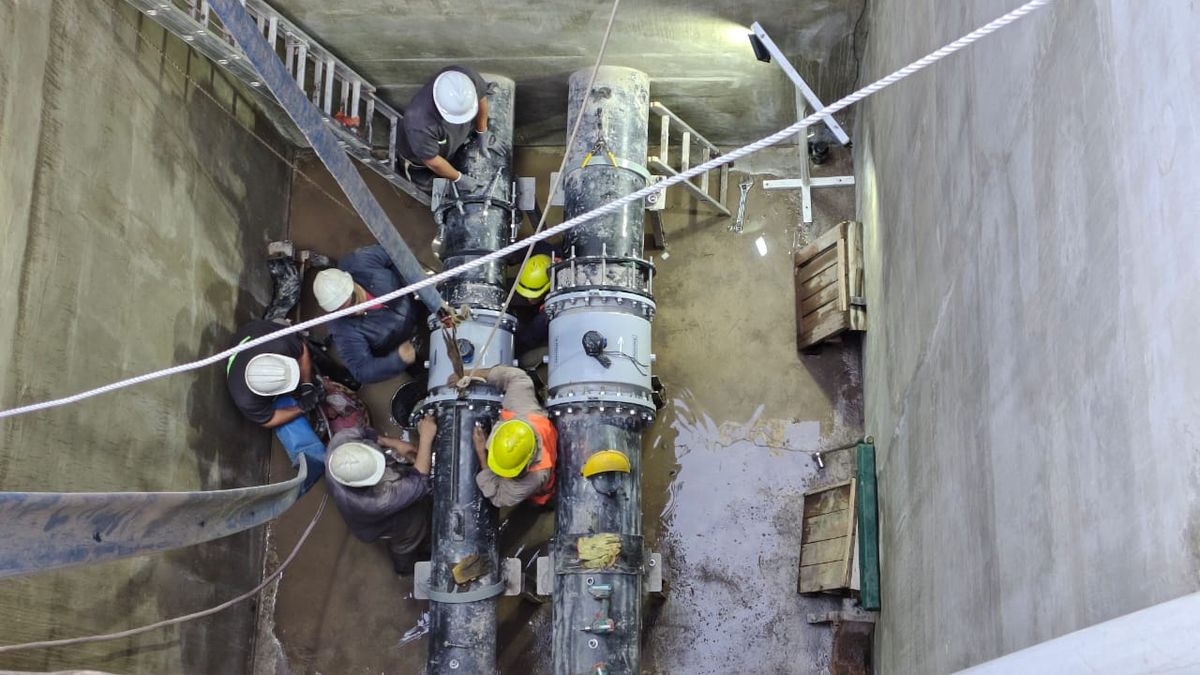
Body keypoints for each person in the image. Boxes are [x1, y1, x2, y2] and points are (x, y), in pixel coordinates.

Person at [325, 415, 435, 574]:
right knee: (407, 541)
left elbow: (364, 433)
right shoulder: (375, 501)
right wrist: (426, 438)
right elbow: (421, 482)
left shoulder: (339, 443)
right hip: (388, 524)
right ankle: (404, 569)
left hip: (362, 510)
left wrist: (395, 443)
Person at [225, 320, 325, 491]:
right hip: (246, 356)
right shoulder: (246, 399)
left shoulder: (280, 346)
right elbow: (270, 419)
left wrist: (307, 386)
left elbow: (302, 351)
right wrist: (300, 408)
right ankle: (313, 459)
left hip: (258, 331)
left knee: (307, 350)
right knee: (288, 415)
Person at [312, 245, 423, 386]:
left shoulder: (360, 261)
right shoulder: (341, 329)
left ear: (351, 283)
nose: (353, 311)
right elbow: (361, 370)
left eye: (353, 301)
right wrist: (398, 359)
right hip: (401, 344)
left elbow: (396, 251)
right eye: (343, 311)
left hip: (416, 302)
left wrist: (411, 281)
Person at [464, 366, 557, 507]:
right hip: (548, 440)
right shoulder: (521, 410)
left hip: (546, 486)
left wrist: (482, 454)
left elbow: (499, 497)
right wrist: (471, 374)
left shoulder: (535, 477)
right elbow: (517, 376)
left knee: (538, 502)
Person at [393, 65, 494, 192]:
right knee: (426, 184)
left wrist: (482, 131)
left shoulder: (464, 78)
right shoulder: (419, 123)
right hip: (420, 160)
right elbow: (432, 161)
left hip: (449, 141)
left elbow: (482, 98)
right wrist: (459, 178)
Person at [510, 252, 554, 359]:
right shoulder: (545, 254)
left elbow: (526, 340)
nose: (529, 298)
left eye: (533, 294)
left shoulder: (543, 320)